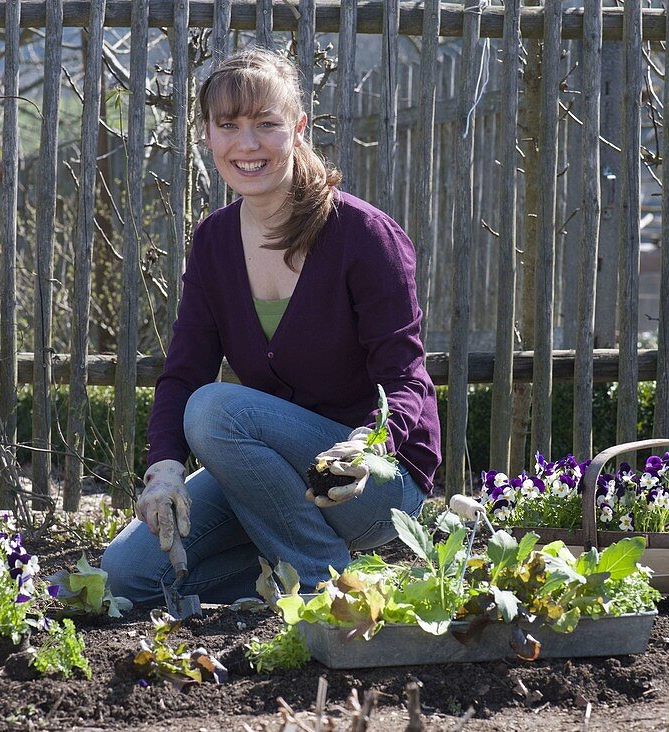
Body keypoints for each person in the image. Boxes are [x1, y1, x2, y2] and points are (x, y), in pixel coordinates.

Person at [103, 48, 441, 605]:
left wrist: (367, 442)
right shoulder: (214, 243)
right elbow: (184, 370)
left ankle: (322, 587)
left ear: (299, 128)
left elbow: (406, 377)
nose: (248, 143)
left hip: (368, 481)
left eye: (267, 124)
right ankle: (285, 571)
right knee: (129, 576)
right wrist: (163, 469)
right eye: (228, 125)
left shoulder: (363, 236)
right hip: (268, 480)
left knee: (215, 410)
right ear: (207, 136)